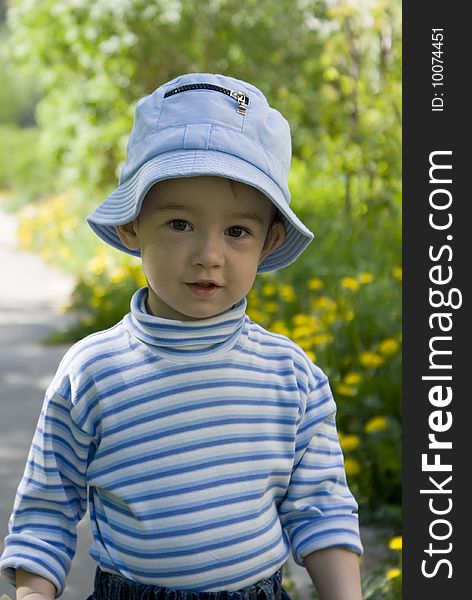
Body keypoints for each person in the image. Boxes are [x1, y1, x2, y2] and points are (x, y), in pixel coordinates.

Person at [0, 73, 363, 600]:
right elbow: (47, 509)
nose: (208, 255)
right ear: (131, 227)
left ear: (269, 241)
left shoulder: (291, 376)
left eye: (237, 231)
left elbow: (321, 508)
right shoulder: (93, 371)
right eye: (178, 224)